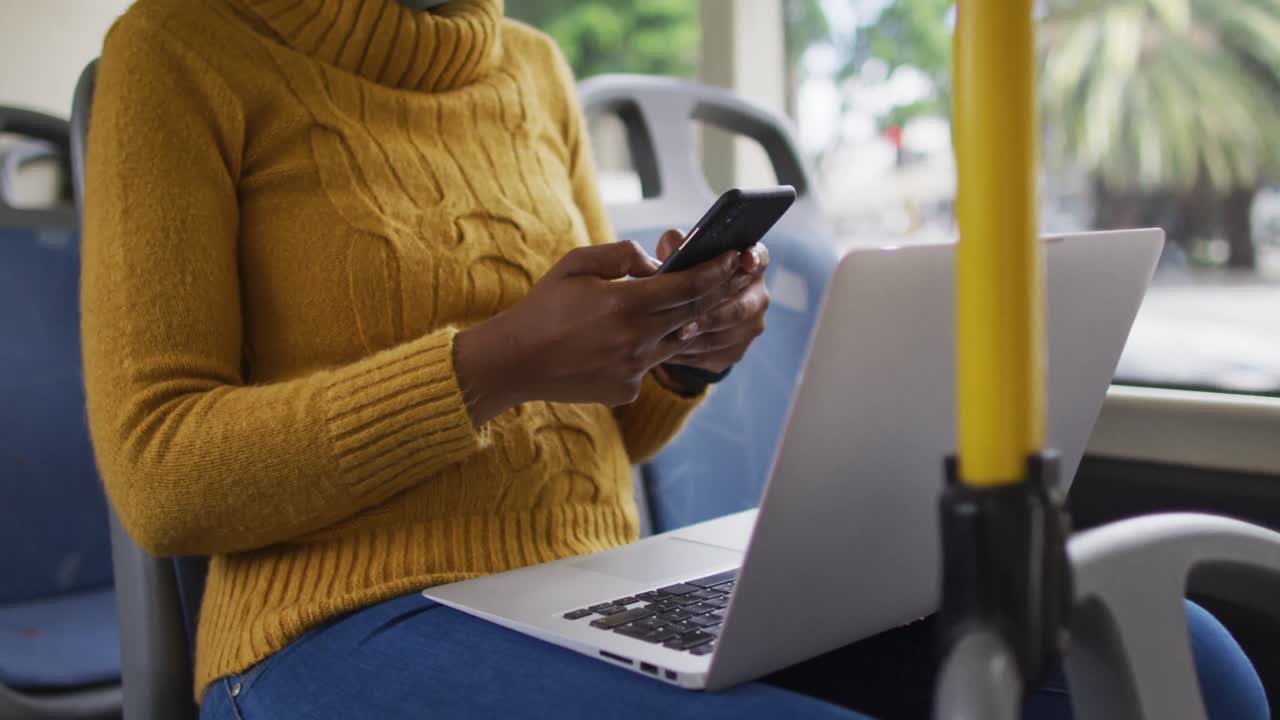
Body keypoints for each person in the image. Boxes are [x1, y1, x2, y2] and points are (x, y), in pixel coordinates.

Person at [80, 0, 1268, 718]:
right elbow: (161, 477)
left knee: (1182, 662)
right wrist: (485, 367)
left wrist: (679, 352)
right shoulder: (177, 51)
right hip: (331, 632)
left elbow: (613, 425)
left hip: (597, 591)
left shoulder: (530, 69)